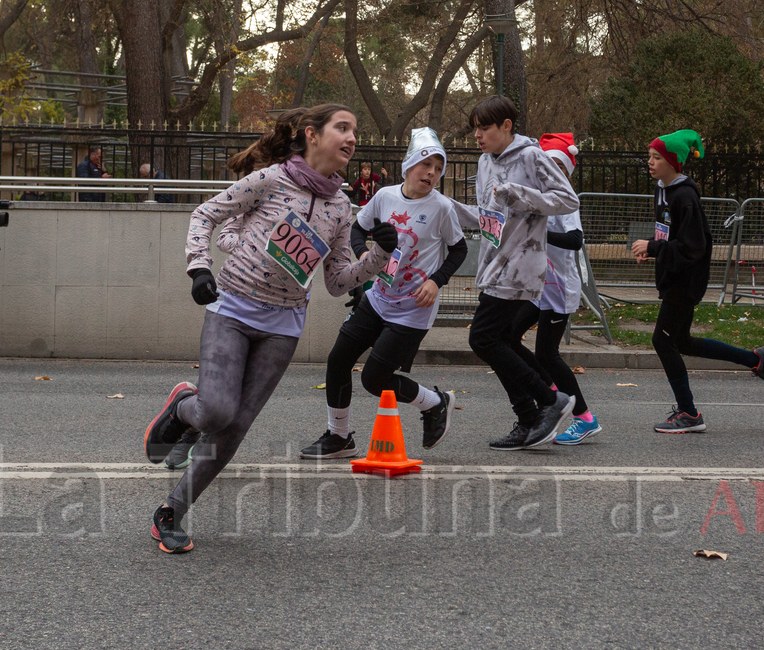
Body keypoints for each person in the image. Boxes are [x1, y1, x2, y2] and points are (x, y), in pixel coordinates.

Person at [141, 103, 396, 554]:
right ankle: (184, 406)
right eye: (343, 127)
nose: (353, 137)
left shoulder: (340, 206)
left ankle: (171, 513)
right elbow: (206, 215)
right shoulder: (270, 179)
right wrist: (199, 268)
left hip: (284, 325)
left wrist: (376, 257)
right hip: (233, 309)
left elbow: (337, 282)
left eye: (355, 129)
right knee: (216, 411)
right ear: (312, 135)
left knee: (234, 427)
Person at [301, 127, 467, 458]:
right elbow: (359, 228)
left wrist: (436, 281)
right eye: (426, 164)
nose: (431, 173)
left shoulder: (442, 208)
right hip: (379, 296)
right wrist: (363, 254)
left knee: (376, 380)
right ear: (409, 166)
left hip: (413, 308)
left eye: (438, 167)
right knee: (338, 360)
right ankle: (339, 436)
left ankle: (435, 403)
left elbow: (459, 250)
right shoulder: (385, 196)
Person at [631, 129, 764, 433]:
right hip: (674, 276)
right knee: (682, 341)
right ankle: (757, 360)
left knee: (662, 340)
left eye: (657, 157)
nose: (650, 161)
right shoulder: (663, 189)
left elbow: (693, 247)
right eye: (650, 156)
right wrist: (654, 249)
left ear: (674, 163)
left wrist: (655, 247)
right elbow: (669, 233)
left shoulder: (684, 196)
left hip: (686, 281)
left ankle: (689, 413)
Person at [457, 95, 579, 450]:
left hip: (521, 263)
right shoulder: (484, 161)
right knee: (501, 340)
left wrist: (522, 195)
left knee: (482, 338)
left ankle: (550, 401)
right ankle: (528, 417)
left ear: (506, 126)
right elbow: (488, 216)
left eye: (485, 128)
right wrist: (447, 208)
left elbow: (568, 199)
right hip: (493, 261)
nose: (478, 135)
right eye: (475, 129)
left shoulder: (531, 156)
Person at [505, 133, 600, 445]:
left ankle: (584, 417)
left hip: (559, 289)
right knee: (507, 337)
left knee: (548, 353)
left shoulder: (565, 199)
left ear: (566, 171)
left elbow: (575, 241)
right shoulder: (537, 196)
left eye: (559, 165)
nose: (552, 171)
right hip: (536, 285)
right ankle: (551, 393)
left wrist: (540, 234)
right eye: (548, 164)